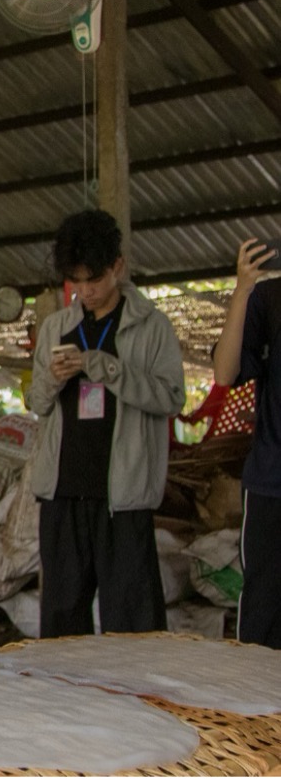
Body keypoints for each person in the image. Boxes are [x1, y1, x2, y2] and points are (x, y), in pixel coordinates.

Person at [27, 209, 184, 638]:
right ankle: (65, 701)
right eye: (76, 282)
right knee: (61, 622)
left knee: (135, 624)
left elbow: (172, 397)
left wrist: (106, 368)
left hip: (124, 498)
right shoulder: (58, 326)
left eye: (93, 280)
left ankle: (138, 701)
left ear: (118, 267)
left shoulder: (151, 327)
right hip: (62, 494)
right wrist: (51, 379)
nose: (85, 291)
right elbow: (36, 403)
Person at [213, 237, 281, 648]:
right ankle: (262, 712)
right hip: (273, 484)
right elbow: (224, 373)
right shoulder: (270, 299)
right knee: (265, 613)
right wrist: (242, 290)